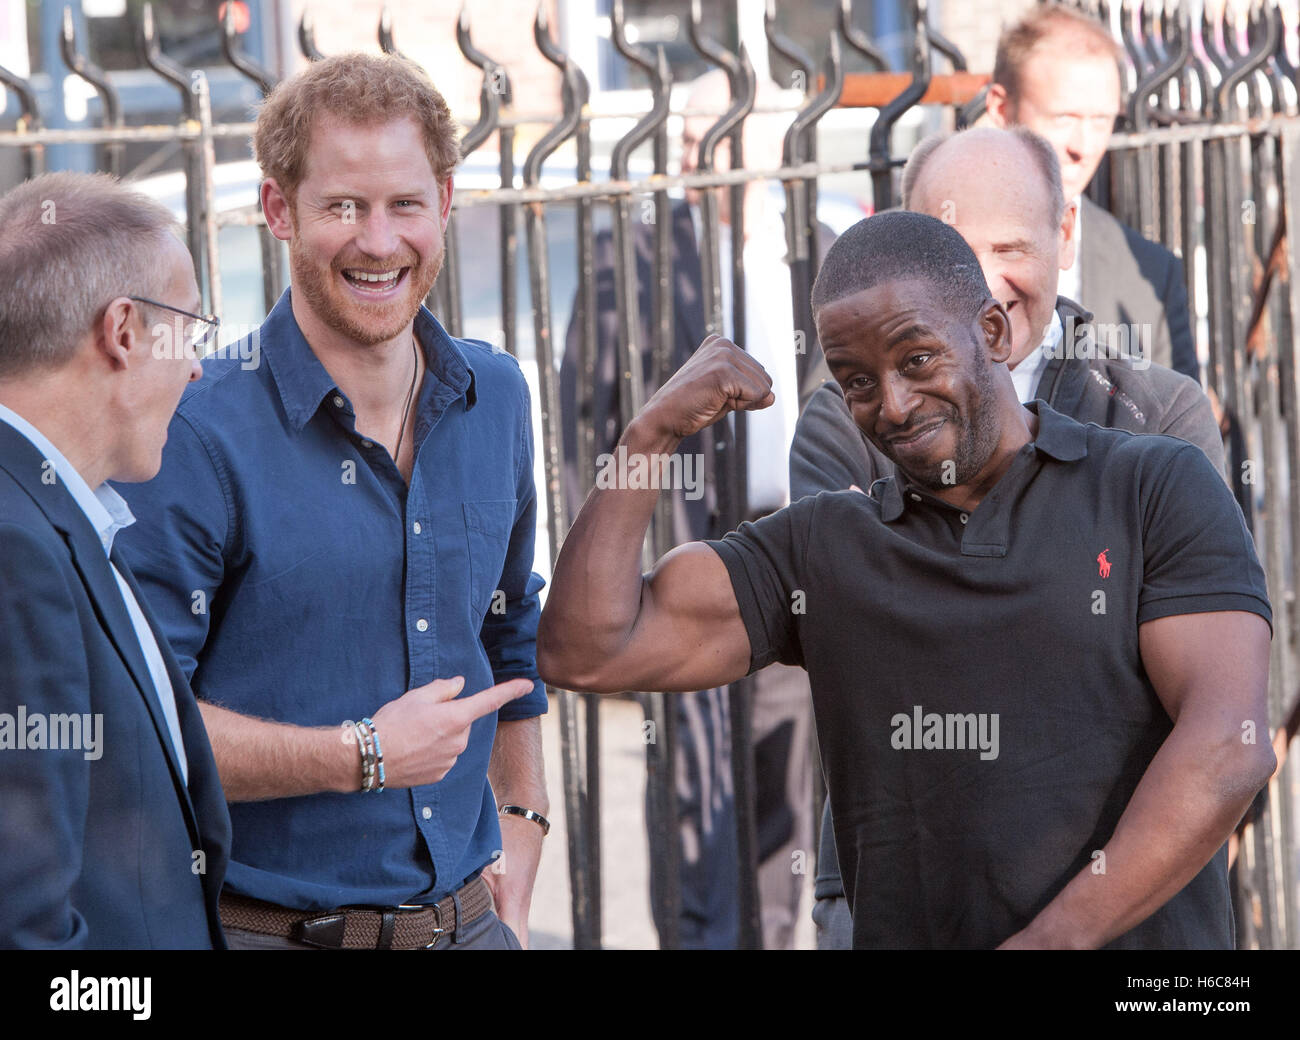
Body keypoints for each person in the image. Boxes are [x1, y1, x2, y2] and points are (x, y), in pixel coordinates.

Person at [537, 209, 1275, 949]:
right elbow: (589, 649)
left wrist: (1054, 941)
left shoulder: (1150, 485)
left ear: (992, 333)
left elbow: (1228, 744)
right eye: (857, 381)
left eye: (917, 360)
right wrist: (649, 436)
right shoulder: (825, 545)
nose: (891, 405)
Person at [115, 54, 547, 950]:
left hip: (471, 930)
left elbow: (511, 639)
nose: (378, 242)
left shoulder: (496, 394)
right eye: (343, 207)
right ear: (280, 210)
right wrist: (363, 755)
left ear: (445, 201)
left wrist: (524, 824)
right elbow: (140, 720)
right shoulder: (194, 432)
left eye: (404, 204)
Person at [798, 125, 1227, 948]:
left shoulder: (1161, 415)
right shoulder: (845, 415)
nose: (987, 282)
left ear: (1065, 236)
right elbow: (853, 623)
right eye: (957, 250)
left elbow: (1208, 689)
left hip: (1134, 901)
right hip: (897, 878)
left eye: (1010, 247)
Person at [561, 70, 829, 948]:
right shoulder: (625, 258)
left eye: (726, 132)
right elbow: (581, 433)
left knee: (789, 793)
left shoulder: (820, 251)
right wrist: (607, 587)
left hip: (804, 559)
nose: (699, 150)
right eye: (692, 133)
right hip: (688, 565)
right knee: (693, 789)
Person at [0, 171, 229, 948]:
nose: (198, 366)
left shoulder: (52, 511)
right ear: (123, 330)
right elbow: (22, 922)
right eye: (191, 332)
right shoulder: (15, 546)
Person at [984, 2, 1200, 383]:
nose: (1083, 147)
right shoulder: (921, 255)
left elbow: (1180, 433)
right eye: (1064, 118)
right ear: (1002, 109)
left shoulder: (1153, 272)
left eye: (1101, 120)